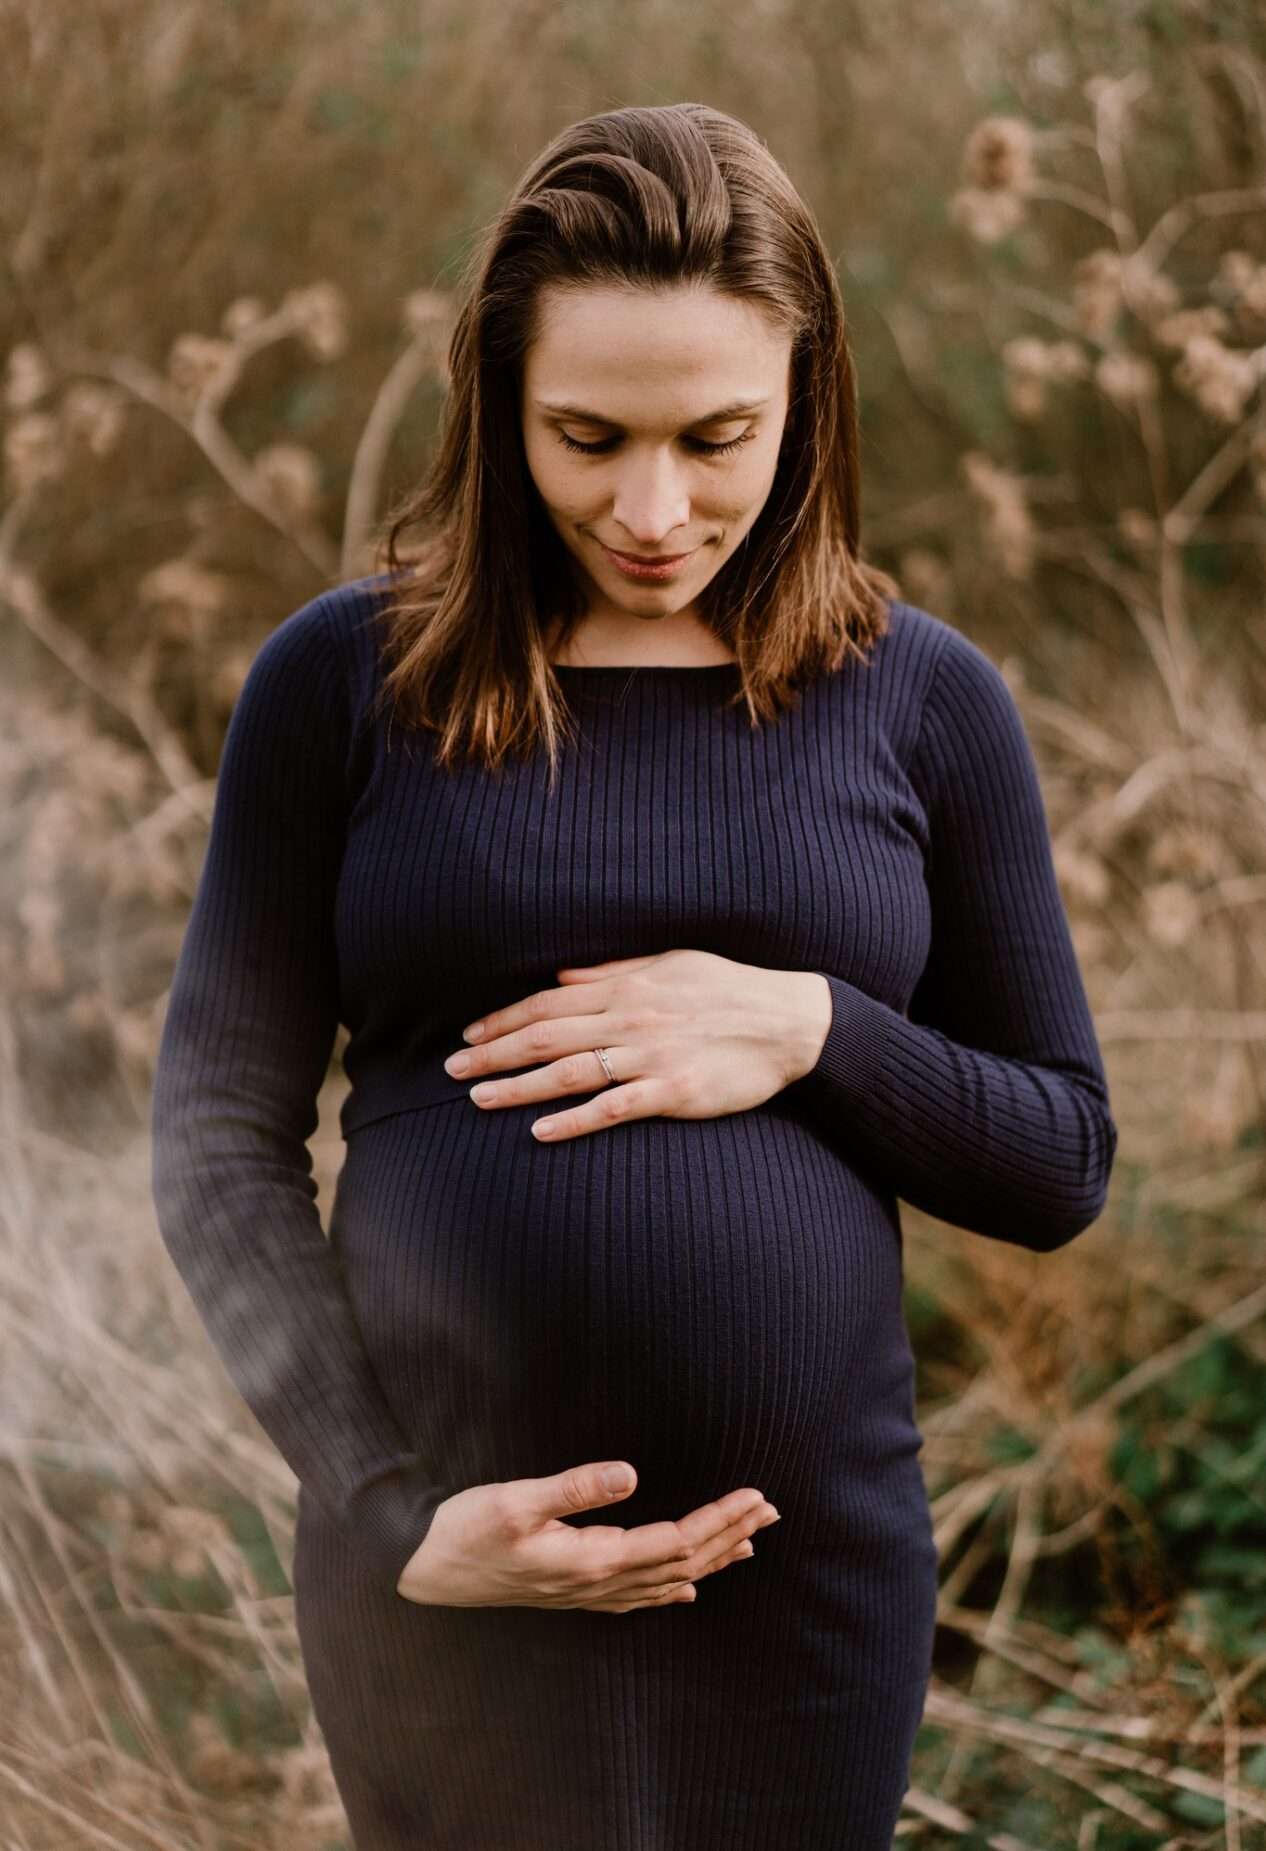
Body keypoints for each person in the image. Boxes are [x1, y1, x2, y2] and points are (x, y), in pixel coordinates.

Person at [150, 102, 1118, 1849]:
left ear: (804, 408)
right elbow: (217, 1136)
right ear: (496, 404)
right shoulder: (343, 686)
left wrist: (809, 1026)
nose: (653, 508)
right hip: (445, 1581)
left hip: (799, 1595)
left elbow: (1058, 1155)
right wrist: (386, 1515)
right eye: (587, 437)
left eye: (716, 437)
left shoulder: (923, 702)